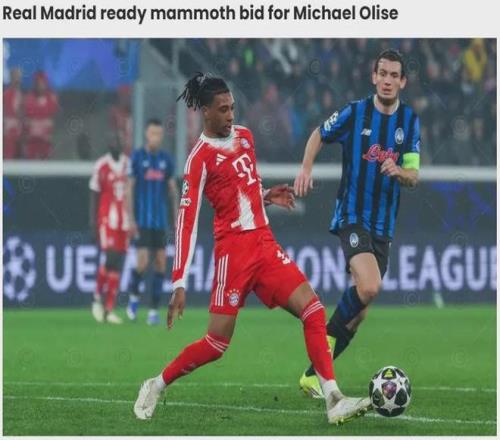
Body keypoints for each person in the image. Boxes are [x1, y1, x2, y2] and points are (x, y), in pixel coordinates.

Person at [133, 73, 371, 425]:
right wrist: (179, 281)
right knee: (217, 344)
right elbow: (187, 221)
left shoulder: (245, 136)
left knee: (313, 310)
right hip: (233, 254)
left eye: (232, 108)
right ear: (205, 112)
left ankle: (333, 398)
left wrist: (265, 196)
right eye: (223, 110)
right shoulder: (199, 159)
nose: (231, 115)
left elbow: (242, 189)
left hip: (264, 244)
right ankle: (156, 383)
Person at [294, 49, 421, 398]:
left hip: (383, 227)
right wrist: (305, 168)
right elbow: (319, 133)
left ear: (402, 81)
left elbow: (413, 175)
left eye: (394, 75)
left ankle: (313, 376)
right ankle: (320, 360)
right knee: (369, 287)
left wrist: (399, 171)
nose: (387, 80)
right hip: (351, 215)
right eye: (383, 73)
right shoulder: (355, 112)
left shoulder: (409, 121)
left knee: (359, 313)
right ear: (373, 76)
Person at [126, 119, 179, 325]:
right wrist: (130, 218)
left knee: (160, 263)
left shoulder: (166, 160)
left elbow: (172, 190)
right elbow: (130, 189)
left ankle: (153, 311)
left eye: (159, 134)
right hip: (142, 220)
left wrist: (176, 218)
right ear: (146, 135)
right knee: (142, 262)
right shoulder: (138, 157)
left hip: (160, 222)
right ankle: (133, 297)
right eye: (152, 133)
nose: (155, 137)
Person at [89, 134, 129, 324]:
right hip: (107, 219)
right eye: (113, 142)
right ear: (108, 145)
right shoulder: (101, 166)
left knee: (117, 264)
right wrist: (93, 224)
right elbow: (94, 195)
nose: (116, 145)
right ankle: (97, 297)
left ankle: (109, 309)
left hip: (124, 221)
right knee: (111, 257)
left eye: (119, 142)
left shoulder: (128, 164)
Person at [23, 71, 59, 159]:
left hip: (46, 139)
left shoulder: (52, 98)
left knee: (45, 159)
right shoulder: (28, 98)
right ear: (35, 84)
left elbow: (54, 117)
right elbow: (26, 117)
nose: (41, 86)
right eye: (38, 83)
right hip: (32, 139)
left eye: (43, 83)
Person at [3, 67, 23, 159]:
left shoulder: (20, 94)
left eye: (19, 77)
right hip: (9, 130)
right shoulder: (6, 94)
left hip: (19, 130)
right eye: (16, 77)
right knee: (9, 155)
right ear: (11, 78)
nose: (18, 80)